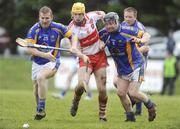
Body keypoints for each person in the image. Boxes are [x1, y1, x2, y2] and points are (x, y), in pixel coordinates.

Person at [26, 6, 89, 120]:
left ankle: (41, 108)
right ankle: (40, 110)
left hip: (53, 61)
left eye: (47, 18)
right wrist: (44, 55)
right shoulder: (34, 29)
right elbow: (29, 49)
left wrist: (73, 46)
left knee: (41, 77)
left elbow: (73, 35)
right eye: (42, 18)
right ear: (39, 18)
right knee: (36, 89)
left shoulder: (58, 27)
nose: (45, 21)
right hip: (37, 62)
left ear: (51, 17)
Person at [99, 12, 156, 122]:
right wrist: (100, 43)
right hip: (122, 68)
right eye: (107, 24)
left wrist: (141, 40)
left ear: (117, 22)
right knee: (121, 93)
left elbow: (147, 35)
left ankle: (151, 106)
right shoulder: (104, 33)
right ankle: (130, 117)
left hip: (136, 65)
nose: (109, 26)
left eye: (112, 23)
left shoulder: (127, 30)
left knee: (133, 92)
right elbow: (97, 39)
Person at [68, 2, 108, 121]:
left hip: (99, 55)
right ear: (72, 13)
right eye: (75, 14)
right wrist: (79, 54)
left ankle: (102, 114)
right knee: (81, 85)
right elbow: (75, 48)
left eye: (80, 14)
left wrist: (102, 38)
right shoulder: (71, 28)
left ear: (84, 13)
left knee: (102, 88)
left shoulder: (91, 16)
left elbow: (103, 15)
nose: (78, 17)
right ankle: (76, 100)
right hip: (85, 58)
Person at [120, 7, 151, 115]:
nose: (127, 19)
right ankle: (136, 103)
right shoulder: (122, 25)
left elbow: (146, 47)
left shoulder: (140, 28)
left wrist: (135, 51)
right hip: (127, 60)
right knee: (119, 84)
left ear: (135, 17)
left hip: (140, 60)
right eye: (125, 17)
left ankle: (139, 108)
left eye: (130, 17)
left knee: (133, 88)